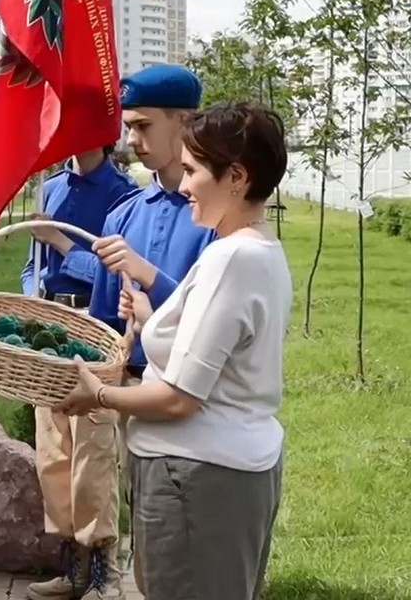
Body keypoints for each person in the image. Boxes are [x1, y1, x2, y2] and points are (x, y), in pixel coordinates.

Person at [53, 101, 291, 600]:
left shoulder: (232, 258)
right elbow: (218, 351)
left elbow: (180, 398)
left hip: (198, 480)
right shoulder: (256, 247)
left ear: (237, 178)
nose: (182, 187)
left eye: (192, 171)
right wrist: (150, 316)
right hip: (215, 477)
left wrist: (97, 394)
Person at [26, 65, 215, 600]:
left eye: (142, 126)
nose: (132, 141)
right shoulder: (125, 214)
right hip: (126, 374)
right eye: (127, 127)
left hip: (192, 387)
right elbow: (107, 315)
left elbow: (213, 308)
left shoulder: (211, 216)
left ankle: (109, 566)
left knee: (176, 507)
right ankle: (90, 568)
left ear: (185, 122)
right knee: (134, 490)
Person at [20, 145, 135, 600]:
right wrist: (31, 301)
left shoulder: (123, 196)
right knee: (53, 453)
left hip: (96, 330)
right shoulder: (49, 188)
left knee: (93, 452)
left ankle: (104, 565)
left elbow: (119, 279)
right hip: (50, 331)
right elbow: (33, 266)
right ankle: (72, 565)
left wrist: (63, 244)